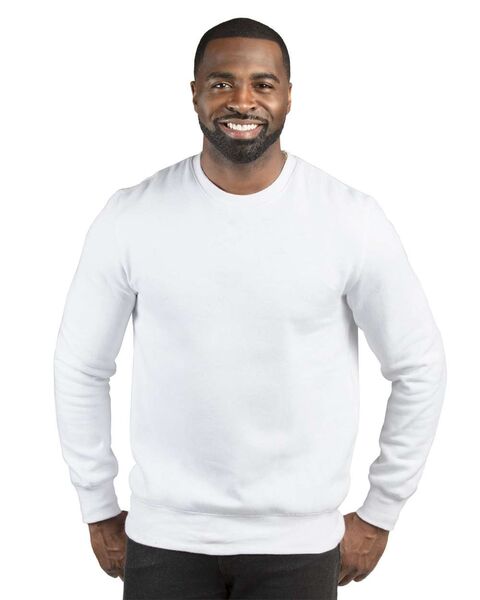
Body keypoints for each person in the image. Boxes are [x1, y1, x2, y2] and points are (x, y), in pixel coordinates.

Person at [53, 16, 447, 600]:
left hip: (299, 545)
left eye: (263, 83)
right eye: (222, 83)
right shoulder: (131, 216)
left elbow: (419, 366)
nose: (242, 100)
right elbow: (81, 367)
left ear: (288, 95)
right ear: (194, 93)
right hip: (165, 540)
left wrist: (382, 509)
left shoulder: (350, 219)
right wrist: (97, 503)